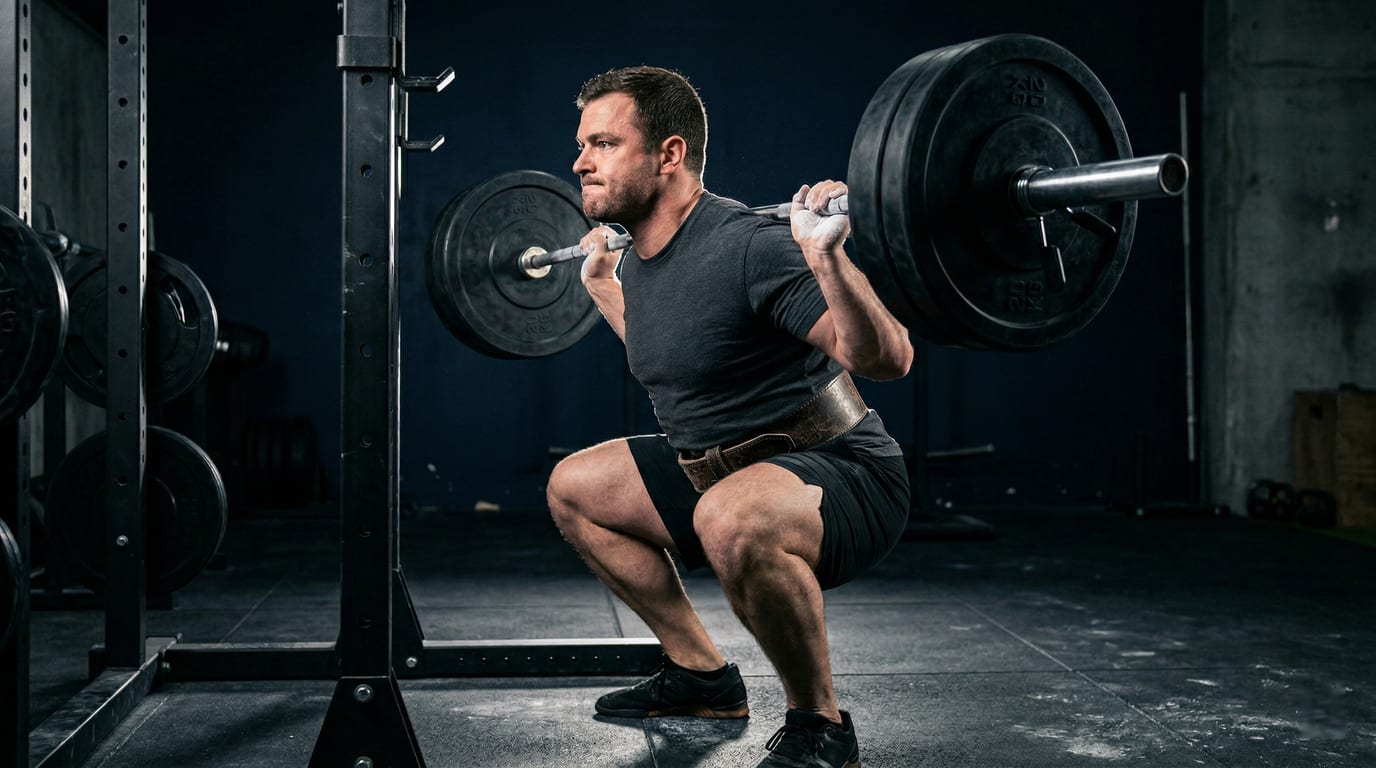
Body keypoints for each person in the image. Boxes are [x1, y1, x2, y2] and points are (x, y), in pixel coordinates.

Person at [546, 65, 913, 768]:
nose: (579, 161)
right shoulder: (647, 256)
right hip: (722, 468)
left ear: (670, 154)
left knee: (728, 516)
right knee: (575, 488)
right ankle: (700, 678)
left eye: (602, 143)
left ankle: (821, 725)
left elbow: (888, 358)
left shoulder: (750, 245)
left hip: (845, 473)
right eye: (582, 144)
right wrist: (602, 287)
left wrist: (826, 258)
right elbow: (680, 354)